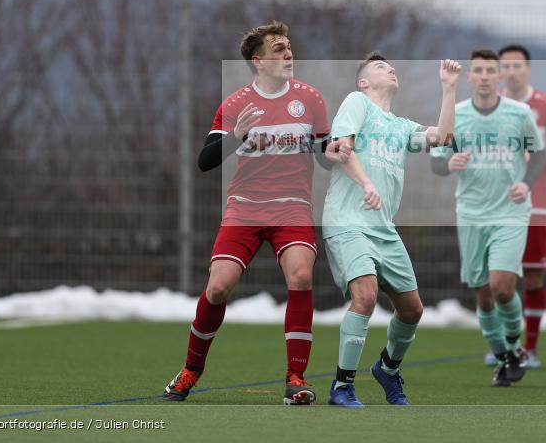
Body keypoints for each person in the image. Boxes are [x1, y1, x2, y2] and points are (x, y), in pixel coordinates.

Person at [163, 20, 338, 405]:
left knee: (302, 276)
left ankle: (295, 379)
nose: (288, 53)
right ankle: (190, 370)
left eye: (289, 46)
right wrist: (236, 136)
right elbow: (205, 161)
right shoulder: (235, 104)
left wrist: (336, 150)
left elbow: (325, 155)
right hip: (244, 210)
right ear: (258, 61)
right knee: (218, 287)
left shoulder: (310, 98)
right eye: (279, 49)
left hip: (292, 209)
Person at [323, 53, 461, 407]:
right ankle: (342, 385)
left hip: (384, 230)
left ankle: (387, 369)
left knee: (412, 310)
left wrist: (448, 89)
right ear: (364, 82)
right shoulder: (357, 103)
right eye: (380, 67)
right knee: (366, 296)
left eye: (390, 65)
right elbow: (342, 148)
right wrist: (367, 183)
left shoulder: (400, 126)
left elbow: (443, 137)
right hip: (348, 222)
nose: (390, 68)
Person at [431, 49, 545, 387]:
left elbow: (538, 153)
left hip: (510, 211)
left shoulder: (519, 113)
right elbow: (436, 161)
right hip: (470, 213)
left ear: (499, 76)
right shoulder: (456, 114)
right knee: (482, 294)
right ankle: (504, 356)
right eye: (478, 71)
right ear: (469, 77)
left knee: (501, 286)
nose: (483, 76)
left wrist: (526, 183)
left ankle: (514, 344)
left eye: (489, 71)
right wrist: (449, 163)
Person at [495, 44, 546, 369]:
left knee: (533, 275)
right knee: (498, 276)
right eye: (506, 66)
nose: (512, 71)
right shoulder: (490, 105)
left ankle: (531, 348)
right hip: (495, 203)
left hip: (535, 203)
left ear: (528, 69)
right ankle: (502, 347)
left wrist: (534, 156)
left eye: (517, 65)